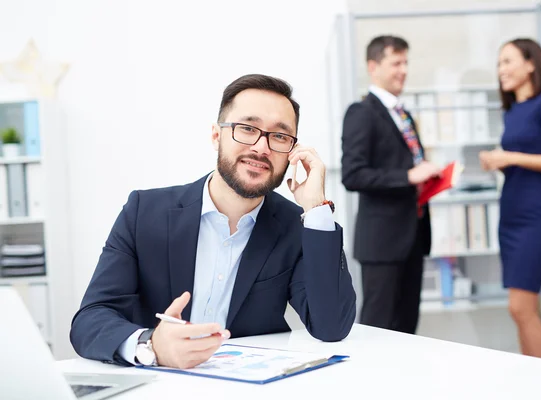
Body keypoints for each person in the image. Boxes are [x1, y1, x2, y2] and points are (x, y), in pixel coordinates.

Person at [70, 74, 357, 369]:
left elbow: (331, 326)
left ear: (292, 154)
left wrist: (316, 209)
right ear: (216, 135)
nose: (261, 147)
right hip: (156, 385)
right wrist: (150, 345)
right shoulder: (143, 212)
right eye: (247, 128)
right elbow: (90, 320)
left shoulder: (296, 226)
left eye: (280, 136)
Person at [479, 38, 541, 359]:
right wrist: (498, 161)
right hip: (512, 215)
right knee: (520, 310)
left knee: (521, 308)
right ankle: (534, 382)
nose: (501, 70)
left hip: (536, 216)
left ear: (531, 64)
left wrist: (512, 157)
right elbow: (520, 159)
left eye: (508, 61)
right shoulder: (514, 111)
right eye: (499, 64)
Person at [341, 36, 440, 334]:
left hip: (413, 236)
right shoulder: (361, 112)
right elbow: (353, 175)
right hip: (382, 242)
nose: (403, 70)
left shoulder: (403, 114)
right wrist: (409, 176)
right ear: (373, 67)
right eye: (396, 63)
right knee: (378, 328)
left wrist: (428, 178)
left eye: (406, 62)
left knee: (407, 327)